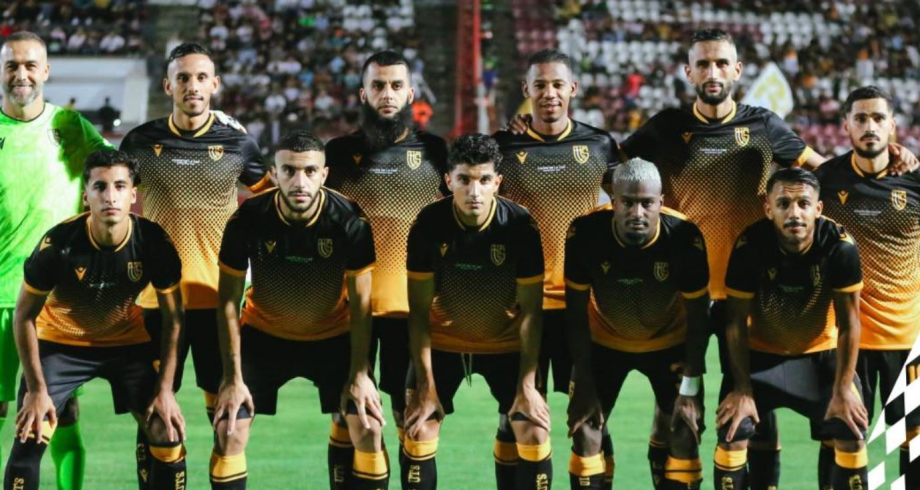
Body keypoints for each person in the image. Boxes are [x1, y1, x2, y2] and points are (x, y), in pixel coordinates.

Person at [616, 28, 916, 488]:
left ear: (737, 70)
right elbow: (609, 169)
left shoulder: (764, 125)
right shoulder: (665, 126)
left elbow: (824, 172)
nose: (713, 72)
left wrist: (889, 157)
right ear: (688, 71)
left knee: (757, 410)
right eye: (703, 63)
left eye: (722, 63)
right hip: (683, 295)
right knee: (676, 411)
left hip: (750, 293)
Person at [119, 42, 269, 488]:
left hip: (219, 303)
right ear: (168, 86)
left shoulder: (238, 144)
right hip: (156, 302)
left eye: (201, 77)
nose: (192, 86)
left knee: (231, 426)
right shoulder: (140, 142)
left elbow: (272, 203)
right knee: (156, 421)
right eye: (182, 77)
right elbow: (113, 199)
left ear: (215, 84)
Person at [210, 131, 385, 489]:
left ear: (324, 174)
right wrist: (232, 377)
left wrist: (361, 373)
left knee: (368, 426)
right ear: (274, 173)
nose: (299, 182)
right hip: (263, 335)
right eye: (289, 171)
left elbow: (362, 304)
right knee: (229, 429)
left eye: (309, 171)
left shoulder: (350, 220)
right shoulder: (248, 218)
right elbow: (228, 301)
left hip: (333, 337)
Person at [4, 150, 187, 490]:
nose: (110, 196)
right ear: (85, 195)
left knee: (167, 429)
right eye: (100, 187)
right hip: (59, 344)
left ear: (133, 195)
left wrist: (165, 390)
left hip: (126, 344)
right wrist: (37, 390)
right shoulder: (58, 245)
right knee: (32, 430)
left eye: (120, 186)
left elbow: (174, 319)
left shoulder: (154, 243)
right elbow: (24, 316)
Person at [493, 48, 619, 488]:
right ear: (526, 89)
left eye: (557, 84)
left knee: (589, 417)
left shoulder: (600, 145)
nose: (549, 93)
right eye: (540, 85)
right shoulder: (503, 147)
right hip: (520, 305)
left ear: (573, 89)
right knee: (518, 415)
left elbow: (631, 208)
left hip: (581, 305)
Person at [324, 49, 448, 481]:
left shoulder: (435, 151)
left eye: (396, 85)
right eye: (378, 85)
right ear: (363, 93)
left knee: (412, 419)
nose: (387, 94)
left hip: (410, 312)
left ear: (411, 94)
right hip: (348, 311)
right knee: (351, 416)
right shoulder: (338, 154)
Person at [403, 134, 551, 490]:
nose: (474, 191)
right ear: (448, 180)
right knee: (418, 427)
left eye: (484, 180)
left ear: (497, 182)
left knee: (533, 429)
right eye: (464, 180)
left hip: (507, 345)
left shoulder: (521, 226)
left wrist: (527, 385)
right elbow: (419, 311)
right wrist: (426, 386)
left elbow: (532, 311)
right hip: (444, 343)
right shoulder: (427, 224)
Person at [0, 30, 112, 490]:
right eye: (12, 65)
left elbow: (120, 172)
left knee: (61, 413)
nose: (21, 74)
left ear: (45, 70)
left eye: (30, 65)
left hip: (55, 302)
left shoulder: (70, 126)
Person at [715, 167, 868, 490]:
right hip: (760, 360)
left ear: (818, 208)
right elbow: (735, 321)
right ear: (768, 209)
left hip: (820, 358)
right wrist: (741, 390)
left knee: (851, 431)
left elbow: (850, 322)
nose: (794, 213)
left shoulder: (839, 246)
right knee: (731, 433)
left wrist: (843, 390)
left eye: (803, 204)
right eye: (783, 204)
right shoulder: (749, 245)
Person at [565, 158, 710, 490]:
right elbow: (574, 314)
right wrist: (583, 380)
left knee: (685, 430)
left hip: (670, 344)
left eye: (647, 203)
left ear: (661, 202)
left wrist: (690, 388)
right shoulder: (584, 233)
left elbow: (700, 317)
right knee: (585, 429)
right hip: (604, 343)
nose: (637, 212)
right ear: (613, 201)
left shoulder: (685, 236)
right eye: (627, 202)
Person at [816, 86, 920, 487]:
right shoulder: (825, 181)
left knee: (913, 442)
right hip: (845, 341)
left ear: (893, 125)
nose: (870, 126)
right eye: (861, 118)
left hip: (906, 340)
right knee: (842, 439)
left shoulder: (914, 181)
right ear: (846, 126)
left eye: (878, 118)